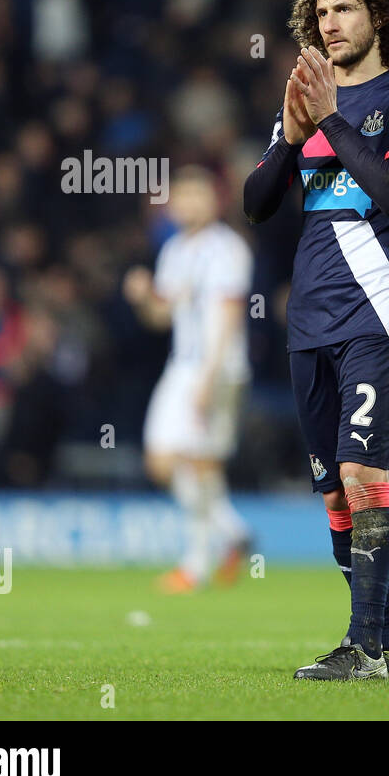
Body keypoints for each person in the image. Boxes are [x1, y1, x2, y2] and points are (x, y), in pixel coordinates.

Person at [242, 0, 389, 681]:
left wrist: (331, 120)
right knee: (333, 489)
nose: (329, 22)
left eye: (345, 8)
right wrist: (296, 136)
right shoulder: (302, 105)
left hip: (377, 309)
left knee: (364, 472)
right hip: (311, 320)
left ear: (380, 15)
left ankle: (361, 647)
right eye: (321, 11)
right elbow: (257, 203)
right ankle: (387, 642)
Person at [123, 165, 253, 593]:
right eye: (181, 196)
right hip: (181, 365)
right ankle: (231, 531)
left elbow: (231, 316)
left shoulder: (227, 249)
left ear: (214, 201)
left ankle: (196, 563)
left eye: (197, 195)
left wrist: (208, 378)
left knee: (194, 461)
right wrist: (145, 298)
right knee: (173, 461)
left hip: (215, 367)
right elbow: (163, 317)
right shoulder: (174, 250)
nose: (187, 203)